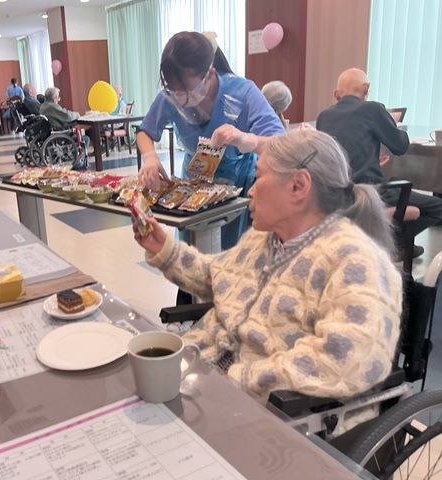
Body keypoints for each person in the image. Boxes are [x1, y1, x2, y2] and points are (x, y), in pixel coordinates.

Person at [133, 129, 402, 432]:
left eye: (258, 177)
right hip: (202, 370)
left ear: (298, 186)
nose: (250, 190)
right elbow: (218, 276)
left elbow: (347, 358)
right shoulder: (265, 239)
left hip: (266, 411)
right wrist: (165, 250)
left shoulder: (354, 261)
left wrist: (240, 378)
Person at [137, 31, 284, 253]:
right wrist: (150, 157)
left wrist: (248, 140)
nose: (182, 100)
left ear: (210, 74)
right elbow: (145, 132)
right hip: (194, 185)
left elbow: (283, 145)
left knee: (233, 255)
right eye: (175, 92)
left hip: (238, 187)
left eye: (188, 91)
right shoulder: (170, 96)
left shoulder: (243, 92)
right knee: (191, 254)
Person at [316, 67, 442, 257]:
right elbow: (400, 146)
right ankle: (396, 245)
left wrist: (372, 158)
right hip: (370, 192)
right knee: (437, 207)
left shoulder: (323, 116)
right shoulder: (372, 109)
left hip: (335, 194)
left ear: (336, 95)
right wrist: (392, 124)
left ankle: (389, 244)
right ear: (366, 89)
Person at [39, 87, 90, 152]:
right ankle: (80, 156)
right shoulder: (52, 107)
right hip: (60, 133)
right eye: (58, 98)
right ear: (55, 98)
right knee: (86, 138)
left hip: (50, 133)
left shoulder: (43, 106)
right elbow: (67, 115)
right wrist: (77, 114)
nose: (58, 100)